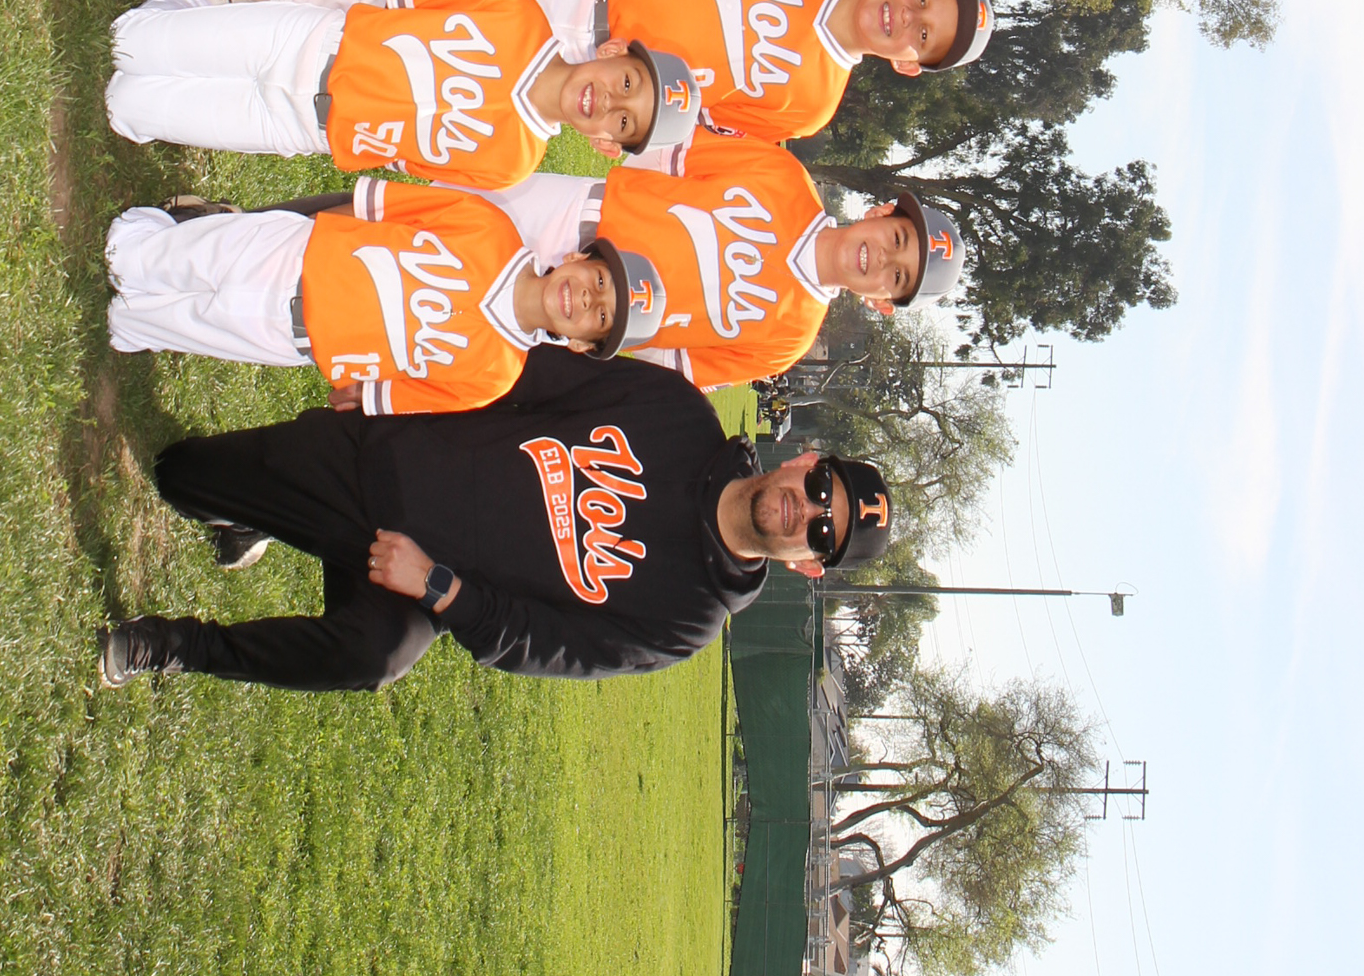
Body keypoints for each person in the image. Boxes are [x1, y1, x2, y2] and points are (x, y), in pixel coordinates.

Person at [96, 355, 895, 689]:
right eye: (821, 487)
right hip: (392, 459)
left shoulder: (687, 620)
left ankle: (177, 646)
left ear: (807, 565)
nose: (807, 511)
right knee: (179, 477)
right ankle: (254, 518)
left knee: (374, 655)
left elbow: (543, 644)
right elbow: (525, 372)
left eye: (822, 532)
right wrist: (395, 389)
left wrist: (439, 587)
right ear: (804, 459)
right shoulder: (680, 414)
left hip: (419, 572)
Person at [103, 0, 700, 183]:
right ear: (611, 51)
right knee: (128, 44)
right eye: (627, 84)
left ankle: (195, 19)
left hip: (302, 129)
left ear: (605, 144)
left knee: (126, 110)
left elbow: (406, 161)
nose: (610, 103)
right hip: (309, 44)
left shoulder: (513, 163)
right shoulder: (519, 12)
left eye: (624, 123)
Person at [105, 181, 668, 416]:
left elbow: (386, 396)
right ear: (575, 257)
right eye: (598, 281)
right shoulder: (491, 227)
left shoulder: (496, 375)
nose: (586, 299)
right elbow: (375, 208)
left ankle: (130, 320)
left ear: (579, 344)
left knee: (162, 323)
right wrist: (309, 231)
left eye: (599, 318)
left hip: (295, 337)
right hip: (296, 253)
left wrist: (355, 388)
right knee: (152, 255)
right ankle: (134, 252)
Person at [493, 140, 965, 387]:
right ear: (881, 213)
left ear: (882, 303)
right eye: (898, 239)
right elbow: (671, 155)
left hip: (574, 318)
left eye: (897, 276)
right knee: (458, 209)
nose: (882, 257)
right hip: (571, 212)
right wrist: (630, 208)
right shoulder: (787, 177)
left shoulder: (788, 342)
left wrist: (609, 325)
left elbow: (674, 367)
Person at [520, 0, 992, 143]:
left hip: (587, 78)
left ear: (907, 66)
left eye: (923, 37)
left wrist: (622, 131)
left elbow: (694, 122)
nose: (908, 16)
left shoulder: (811, 110)